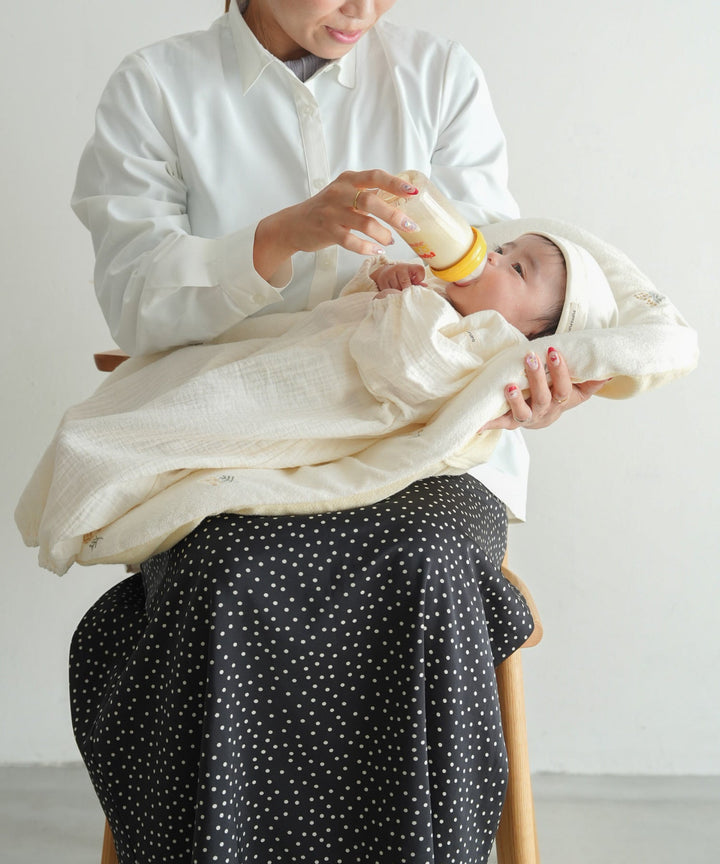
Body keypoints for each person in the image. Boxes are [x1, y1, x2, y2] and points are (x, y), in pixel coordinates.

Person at [64, 3, 606, 862]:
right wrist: (276, 238)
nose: (364, 7)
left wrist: (535, 372)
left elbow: (502, 280)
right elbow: (135, 299)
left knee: (425, 557)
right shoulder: (157, 87)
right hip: (235, 441)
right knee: (222, 573)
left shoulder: (437, 76)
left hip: (428, 446)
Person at [18, 229, 618, 577]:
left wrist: (408, 305)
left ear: (533, 338)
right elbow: (347, 316)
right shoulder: (443, 297)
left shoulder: (486, 347)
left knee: (203, 419)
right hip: (287, 365)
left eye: (514, 269)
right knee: (189, 391)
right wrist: (383, 282)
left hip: (326, 412)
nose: (489, 253)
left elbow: (406, 373)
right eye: (504, 246)